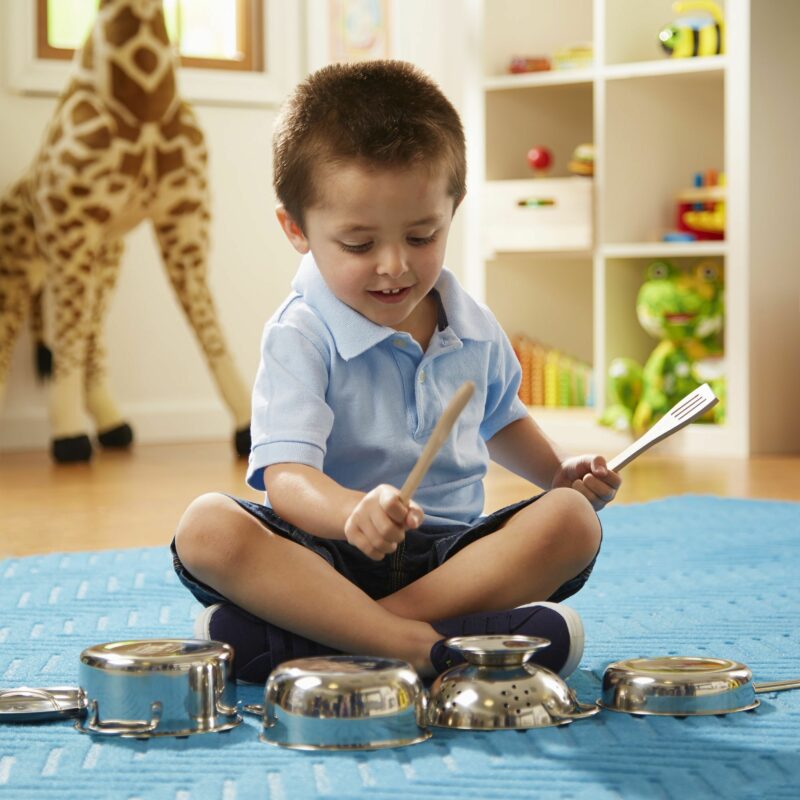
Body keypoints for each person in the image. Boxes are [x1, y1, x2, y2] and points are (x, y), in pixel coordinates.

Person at [171, 60, 621, 683]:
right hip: (326, 557)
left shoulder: (472, 322)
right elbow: (287, 479)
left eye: (421, 236)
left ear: (453, 208)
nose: (394, 267)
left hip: (452, 561)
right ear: (295, 229)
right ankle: (430, 647)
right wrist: (351, 511)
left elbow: (502, 418)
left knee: (572, 518)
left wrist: (557, 472)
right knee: (206, 529)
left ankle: (335, 638)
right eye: (359, 245)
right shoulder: (301, 332)